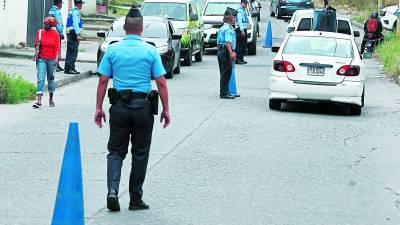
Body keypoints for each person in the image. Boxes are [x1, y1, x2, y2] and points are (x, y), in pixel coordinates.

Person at [94, 6, 171, 212]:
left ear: (125, 28)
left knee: (115, 151)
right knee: (140, 153)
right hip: (143, 109)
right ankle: (135, 198)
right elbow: (161, 83)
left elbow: (103, 81)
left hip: (118, 107)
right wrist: (166, 110)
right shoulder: (149, 50)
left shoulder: (113, 49)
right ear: (142, 28)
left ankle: (112, 191)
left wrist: (98, 108)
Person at [33, 17, 60, 108]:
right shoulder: (40, 32)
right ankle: (39, 101)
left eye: (46, 24)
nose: (44, 26)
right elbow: (35, 45)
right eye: (44, 24)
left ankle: (51, 98)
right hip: (41, 58)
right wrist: (38, 42)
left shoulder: (56, 34)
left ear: (51, 25)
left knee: (51, 80)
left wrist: (56, 59)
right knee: (40, 79)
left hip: (52, 60)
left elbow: (57, 48)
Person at [217, 8, 237, 99]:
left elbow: (218, 43)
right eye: (234, 18)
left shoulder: (221, 28)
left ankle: (224, 91)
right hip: (226, 51)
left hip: (221, 51)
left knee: (223, 72)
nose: (235, 19)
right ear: (231, 19)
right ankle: (224, 93)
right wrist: (231, 53)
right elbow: (228, 42)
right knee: (227, 73)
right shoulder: (228, 29)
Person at [64, 0, 84, 74]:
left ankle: (71, 67)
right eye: (81, 4)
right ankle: (68, 68)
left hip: (71, 33)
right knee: (72, 51)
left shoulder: (72, 11)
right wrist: (78, 34)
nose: (82, 5)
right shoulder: (75, 12)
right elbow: (75, 23)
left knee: (72, 51)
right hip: (73, 33)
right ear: (79, 4)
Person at [49, 0, 65, 72]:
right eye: (61, 3)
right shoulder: (57, 11)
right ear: (59, 3)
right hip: (57, 32)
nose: (62, 5)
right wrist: (61, 33)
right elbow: (58, 23)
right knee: (57, 49)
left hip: (51, 31)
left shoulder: (51, 10)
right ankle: (56, 65)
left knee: (53, 48)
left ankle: (56, 64)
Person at [236, 0, 249, 65]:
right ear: (241, 3)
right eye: (244, 3)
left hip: (243, 29)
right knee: (239, 45)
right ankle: (238, 59)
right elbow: (240, 21)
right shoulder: (240, 11)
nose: (245, 4)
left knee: (243, 45)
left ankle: (241, 59)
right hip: (240, 30)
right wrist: (242, 30)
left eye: (246, 3)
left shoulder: (243, 10)